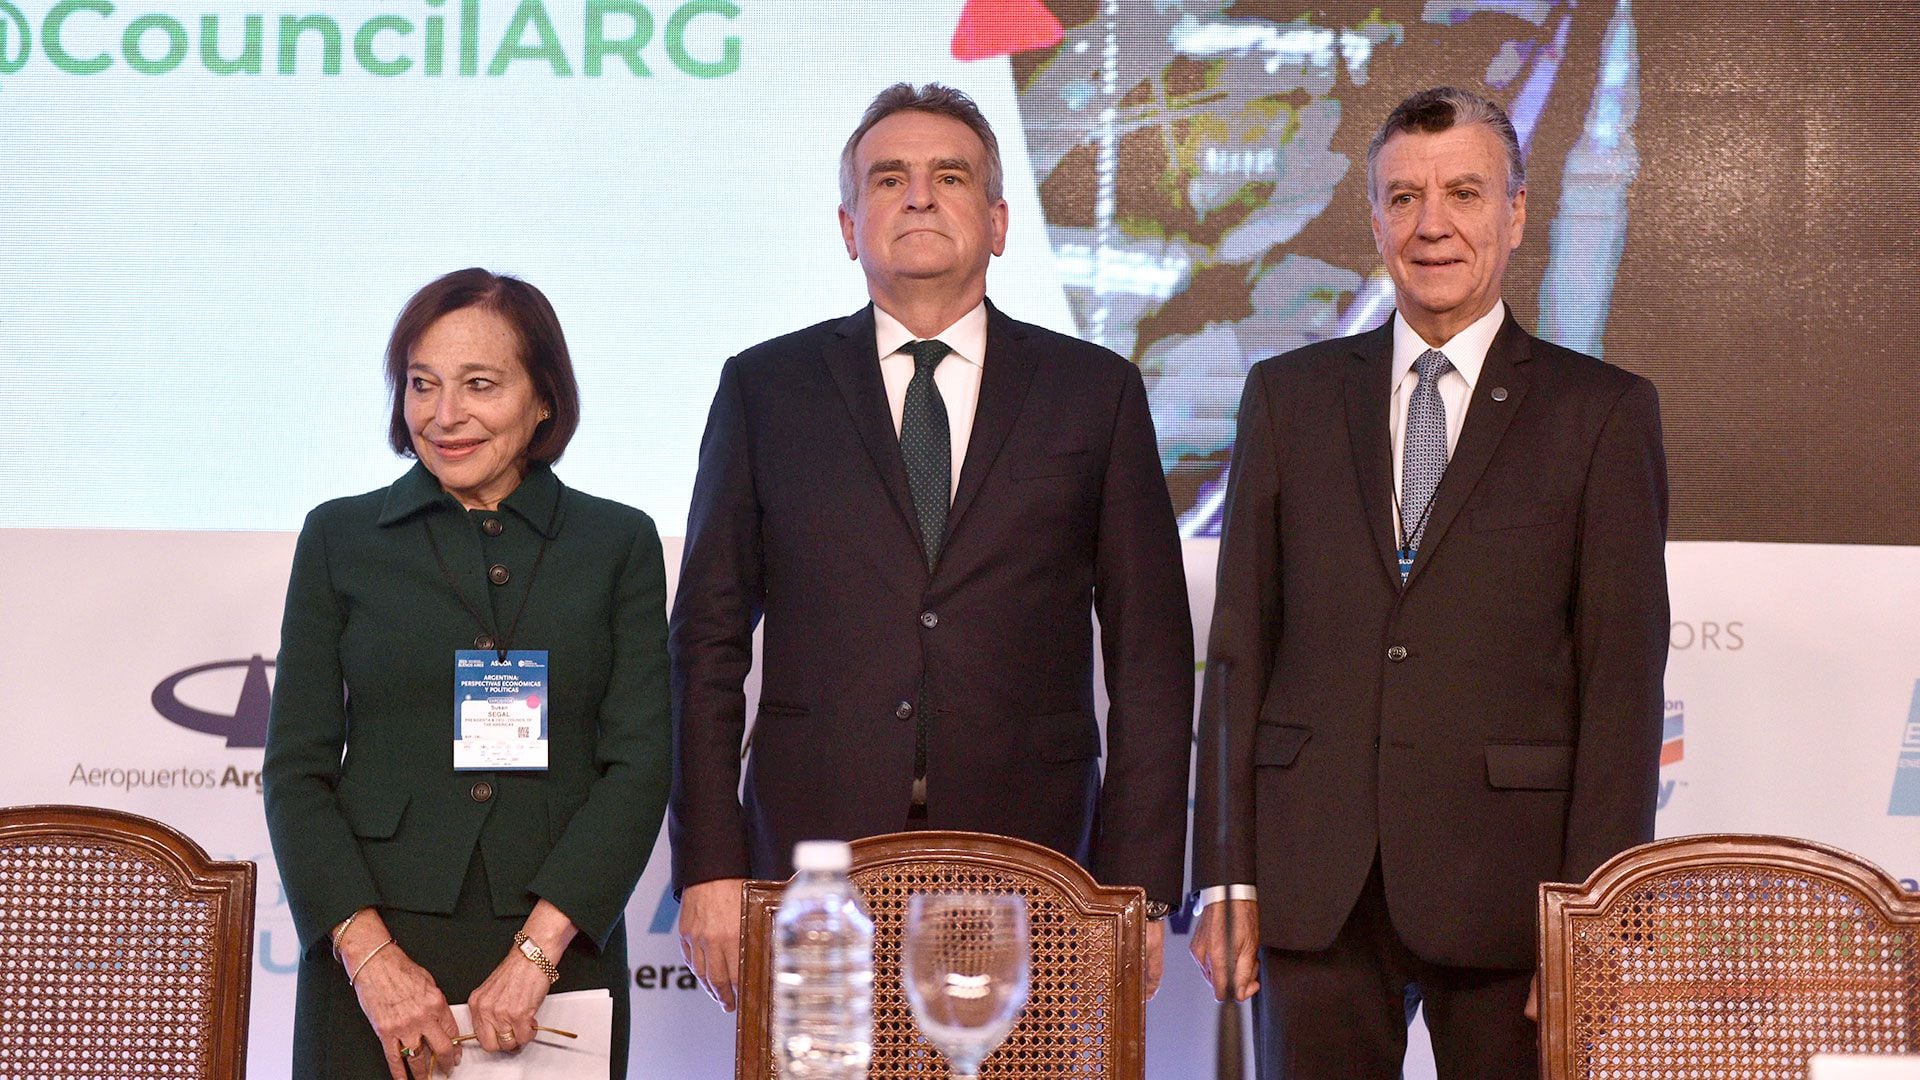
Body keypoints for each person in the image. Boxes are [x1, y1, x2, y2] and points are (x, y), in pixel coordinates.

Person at [670, 82, 1194, 1016]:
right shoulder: (764, 389)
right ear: (848, 225)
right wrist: (709, 866)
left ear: (997, 222)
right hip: (811, 863)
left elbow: (1151, 655)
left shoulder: (1095, 393)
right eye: (889, 178)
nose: (918, 196)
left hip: (1036, 864)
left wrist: (1141, 890)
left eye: (948, 176)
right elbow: (704, 644)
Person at [1189, 87, 1669, 1077]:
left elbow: (1622, 690)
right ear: (1373, 218)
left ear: (1517, 210)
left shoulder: (1603, 415)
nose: (1432, 224)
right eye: (1403, 197)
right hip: (1314, 886)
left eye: (1463, 192)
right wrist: (1225, 878)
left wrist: (1591, 916)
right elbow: (1239, 650)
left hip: (1511, 894)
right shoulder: (1288, 399)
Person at [263, 269, 671, 1080]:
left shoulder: (617, 543)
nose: (444, 416)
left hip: (559, 946)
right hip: (371, 951)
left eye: (479, 385)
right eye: (422, 384)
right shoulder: (339, 537)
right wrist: (372, 960)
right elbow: (296, 770)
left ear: (544, 396)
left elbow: (640, 763)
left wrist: (537, 953)